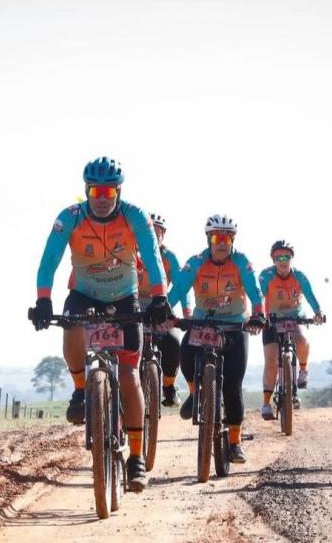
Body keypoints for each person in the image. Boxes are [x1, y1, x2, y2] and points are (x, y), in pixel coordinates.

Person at [32, 156, 172, 491]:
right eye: (95, 190)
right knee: (70, 326)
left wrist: (160, 297)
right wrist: (42, 299)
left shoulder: (134, 215)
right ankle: (81, 391)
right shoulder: (70, 217)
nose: (102, 197)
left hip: (126, 297)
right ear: (86, 190)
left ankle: (136, 459)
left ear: (119, 191)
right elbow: (49, 259)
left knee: (128, 375)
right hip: (84, 294)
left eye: (109, 190)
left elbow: (152, 257)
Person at [168, 214, 266, 464]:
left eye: (227, 238)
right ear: (209, 239)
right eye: (216, 237)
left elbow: (254, 291)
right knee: (186, 355)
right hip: (203, 322)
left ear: (232, 240)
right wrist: (167, 311)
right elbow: (178, 289)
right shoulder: (197, 262)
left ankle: (234, 443)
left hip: (235, 325)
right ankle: (194, 393)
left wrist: (258, 314)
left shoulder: (242, 261)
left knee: (233, 385)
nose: (222, 243)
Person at [258, 240, 325, 420]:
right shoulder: (266, 276)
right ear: (273, 259)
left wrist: (318, 312)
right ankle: (266, 403)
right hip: (272, 318)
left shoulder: (300, 276)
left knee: (302, 340)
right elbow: (258, 295)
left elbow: (310, 295)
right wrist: (256, 316)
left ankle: (303, 371)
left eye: (286, 256)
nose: (283, 260)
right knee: (271, 360)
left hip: (296, 317)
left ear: (291, 258)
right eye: (278, 257)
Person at [136, 213, 191, 407]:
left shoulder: (169, 257)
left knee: (173, 342)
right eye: (150, 229)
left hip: (160, 304)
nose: (153, 233)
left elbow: (182, 287)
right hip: (134, 304)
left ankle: (169, 386)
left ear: (163, 235)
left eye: (157, 230)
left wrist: (187, 315)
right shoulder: (130, 253)